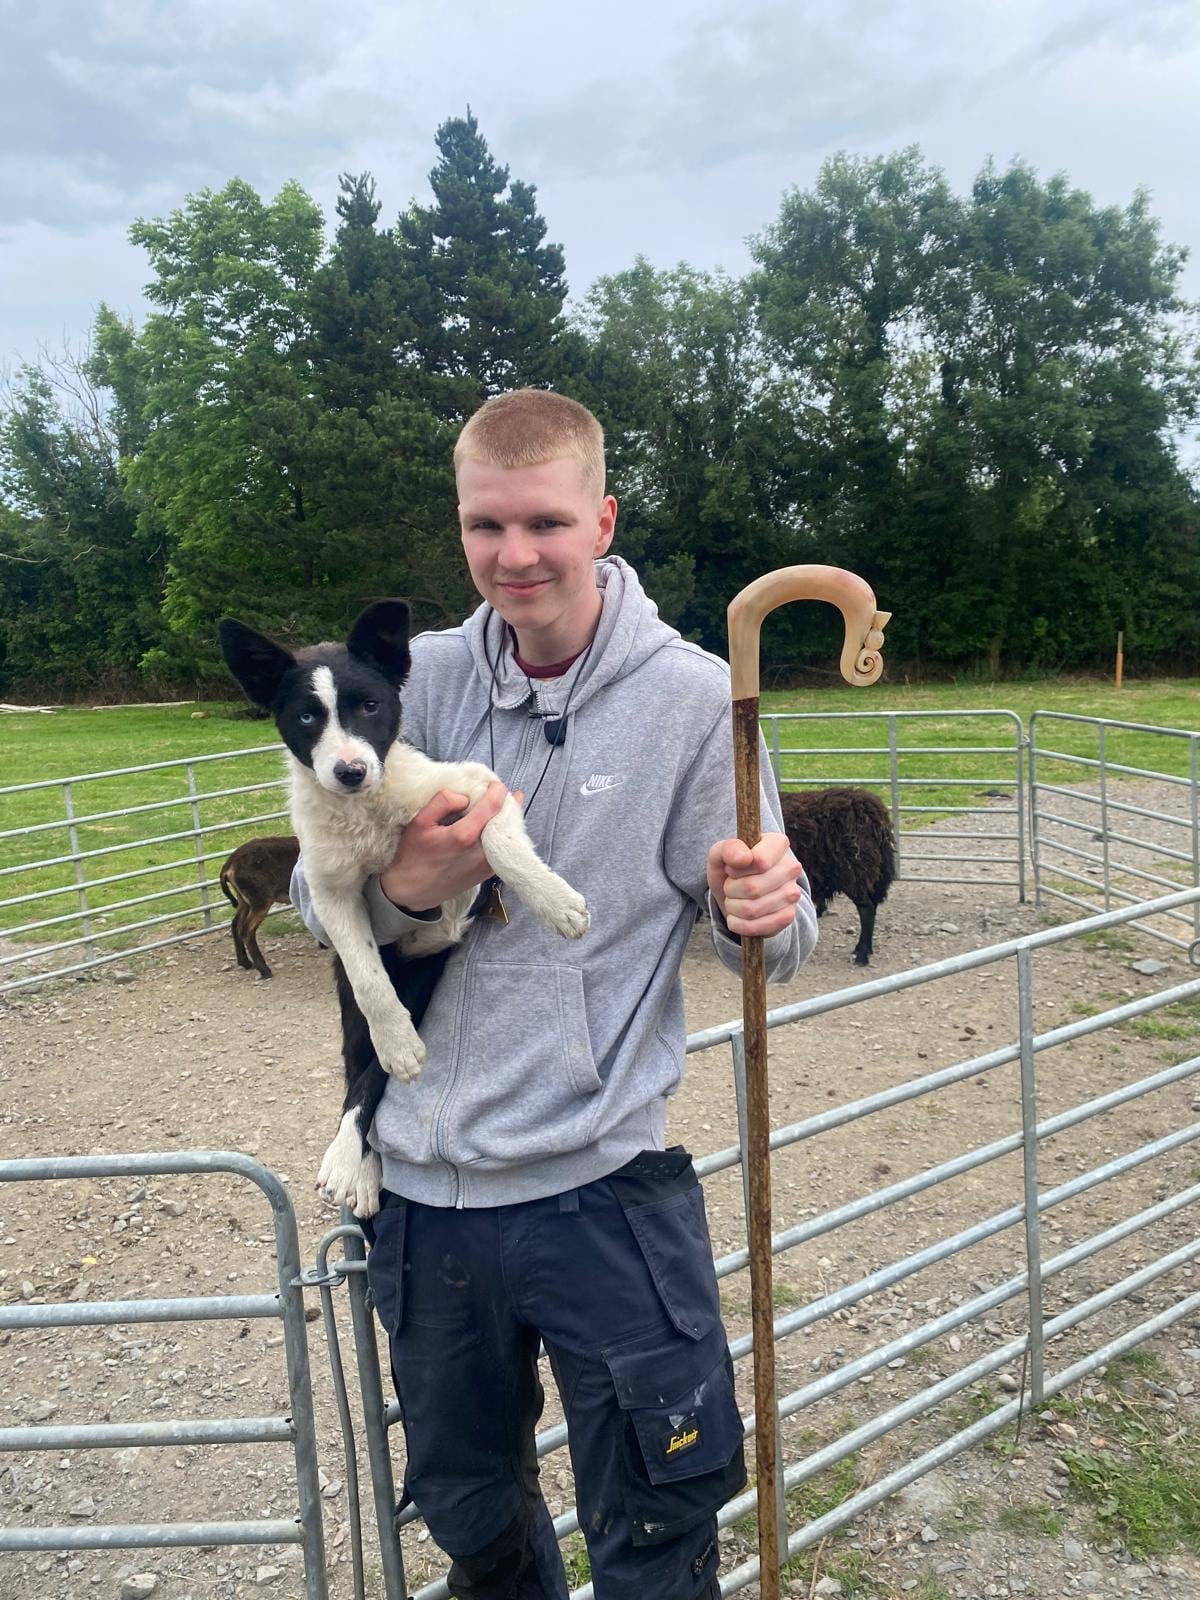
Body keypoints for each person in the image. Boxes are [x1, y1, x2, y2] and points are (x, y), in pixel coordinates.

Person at [291, 389, 818, 1599]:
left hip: (599, 1185)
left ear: (602, 518)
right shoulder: (397, 681)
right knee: (473, 1517)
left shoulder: (692, 699)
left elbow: (771, 949)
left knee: (653, 1518)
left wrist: (764, 906)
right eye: (485, 526)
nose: (514, 554)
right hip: (422, 1194)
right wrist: (415, 892)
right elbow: (333, 904)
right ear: (460, 525)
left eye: (544, 521)